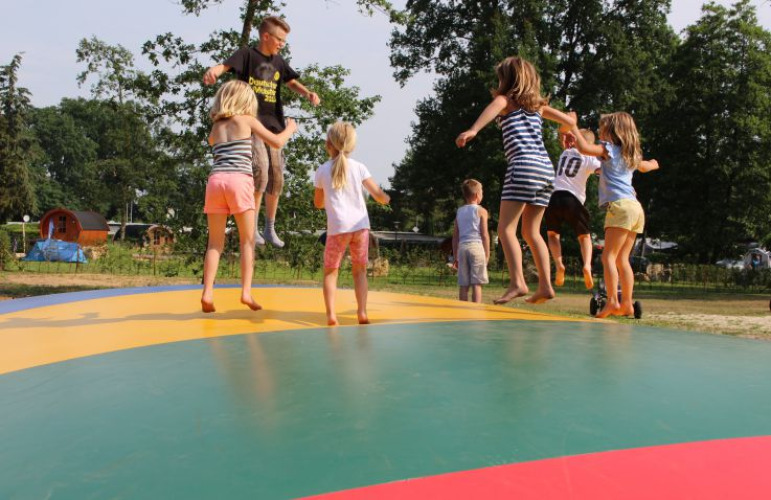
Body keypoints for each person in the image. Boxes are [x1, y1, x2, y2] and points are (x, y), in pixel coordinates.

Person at [456, 56, 575, 304]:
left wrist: (474, 129)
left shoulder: (505, 101)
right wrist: (565, 133)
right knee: (532, 232)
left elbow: (492, 109)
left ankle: (518, 282)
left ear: (507, 79)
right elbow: (570, 121)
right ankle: (545, 286)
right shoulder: (539, 107)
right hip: (545, 169)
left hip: (522, 165)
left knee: (506, 229)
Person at [203, 15, 320, 248]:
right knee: (261, 172)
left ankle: (269, 227)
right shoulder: (247, 55)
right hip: (250, 123)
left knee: (276, 177)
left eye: (284, 41)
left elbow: (291, 81)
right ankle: (253, 225)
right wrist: (214, 71)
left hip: (273, 124)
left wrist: (307, 93)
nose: (282, 44)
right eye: (279, 39)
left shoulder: (279, 61)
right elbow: (226, 66)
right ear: (266, 36)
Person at [201, 80, 298, 313]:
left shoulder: (216, 126)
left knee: (214, 243)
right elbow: (276, 142)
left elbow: (212, 143)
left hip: (215, 182)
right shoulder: (247, 120)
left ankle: (207, 292)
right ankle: (245, 291)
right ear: (246, 101)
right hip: (239, 181)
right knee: (247, 240)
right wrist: (290, 128)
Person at [569, 111, 659, 318]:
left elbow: (583, 148)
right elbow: (645, 167)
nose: (599, 132)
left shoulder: (608, 149)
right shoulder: (630, 154)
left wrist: (573, 125)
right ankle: (626, 304)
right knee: (622, 259)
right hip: (635, 208)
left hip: (619, 207)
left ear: (612, 132)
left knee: (608, 257)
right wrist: (655, 164)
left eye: (602, 129)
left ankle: (612, 301)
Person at [314, 122, 390, 326]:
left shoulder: (322, 170)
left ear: (328, 144)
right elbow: (378, 195)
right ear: (352, 146)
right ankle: (362, 312)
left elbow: (318, 203)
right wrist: (386, 199)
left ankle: (331, 315)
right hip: (360, 227)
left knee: (331, 271)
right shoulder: (359, 168)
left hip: (338, 228)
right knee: (360, 271)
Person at [545, 129, 601, 290]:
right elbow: (602, 171)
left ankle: (559, 264)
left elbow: (562, 135)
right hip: (573, 199)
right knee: (584, 237)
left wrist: (567, 133)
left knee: (552, 235)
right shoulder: (589, 158)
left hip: (554, 197)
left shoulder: (566, 153)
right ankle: (587, 265)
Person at [452, 179, 490, 303]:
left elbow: (455, 236)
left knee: (464, 284)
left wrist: (455, 256)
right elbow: (484, 235)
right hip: (476, 247)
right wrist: (487, 254)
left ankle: (463, 309)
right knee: (476, 283)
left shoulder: (459, 211)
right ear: (477, 195)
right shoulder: (481, 211)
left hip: (462, 248)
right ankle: (476, 309)